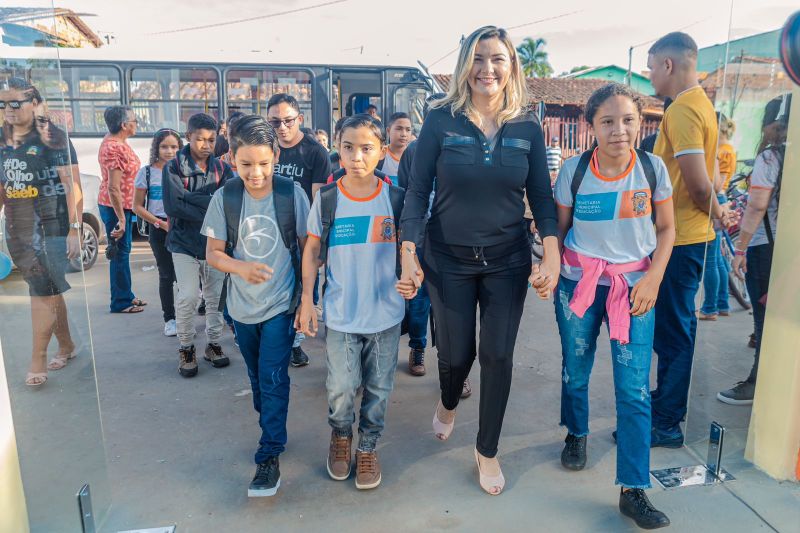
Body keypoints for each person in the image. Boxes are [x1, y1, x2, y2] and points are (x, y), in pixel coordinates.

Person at [400, 26, 560, 496]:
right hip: (446, 259)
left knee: (498, 355)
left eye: (497, 59)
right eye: (478, 58)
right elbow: (417, 191)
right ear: (465, 64)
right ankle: (448, 400)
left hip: (507, 260)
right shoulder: (440, 120)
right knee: (456, 357)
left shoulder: (527, 125)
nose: (487, 69)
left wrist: (552, 253)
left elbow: (542, 197)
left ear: (511, 67)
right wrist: (408, 253)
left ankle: (487, 450)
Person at [547, 83, 674, 529]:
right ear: (592, 126)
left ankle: (633, 488)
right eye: (607, 121)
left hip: (635, 290)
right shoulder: (574, 171)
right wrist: (550, 271)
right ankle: (576, 432)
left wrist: (653, 279)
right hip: (579, 286)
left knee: (634, 388)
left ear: (639, 123)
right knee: (575, 368)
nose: (618, 130)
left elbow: (667, 229)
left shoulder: (653, 169)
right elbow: (559, 231)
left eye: (627, 120)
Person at [296, 115, 410, 490]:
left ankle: (368, 445)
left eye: (366, 148)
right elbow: (312, 250)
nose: (356, 156)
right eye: (348, 148)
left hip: (386, 315)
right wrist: (307, 300)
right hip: (341, 314)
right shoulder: (328, 199)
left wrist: (415, 275)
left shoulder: (395, 198)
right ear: (338, 150)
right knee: (341, 387)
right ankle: (342, 434)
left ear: (381, 152)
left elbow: (412, 250)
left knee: (379, 390)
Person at [203, 115, 310, 497]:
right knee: (258, 380)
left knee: (273, 376)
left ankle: (269, 456)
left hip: (281, 306)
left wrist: (308, 300)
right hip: (240, 309)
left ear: (276, 157)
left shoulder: (292, 194)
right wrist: (241, 268)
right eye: (246, 164)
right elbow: (213, 253)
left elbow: (309, 249)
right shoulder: (225, 197)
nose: (256, 173)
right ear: (232, 158)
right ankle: (271, 425)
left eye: (264, 163)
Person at [646, 32, 734, 447]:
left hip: (678, 239)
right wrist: (719, 210)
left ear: (668, 65)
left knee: (674, 332)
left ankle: (666, 422)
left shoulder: (681, 109)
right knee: (675, 328)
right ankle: (664, 403)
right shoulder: (703, 106)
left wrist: (716, 212)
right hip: (687, 236)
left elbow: (699, 185)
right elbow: (712, 177)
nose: (650, 76)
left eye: (652, 67)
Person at [0, 78, 82, 387]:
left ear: (34, 103)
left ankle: (38, 357)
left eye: (15, 102)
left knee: (41, 289)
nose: (8, 109)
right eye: (2, 104)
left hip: (51, 227)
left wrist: (74, 228)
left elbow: (71, 186)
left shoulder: (53, 138)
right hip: (17, 229)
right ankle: (67, 344)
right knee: (49, 287)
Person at [719, 94, 791, 405]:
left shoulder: (771, 157)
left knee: (766, 319)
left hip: (767, 250)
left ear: (771, 124)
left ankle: (758, 382)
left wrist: (740, 250)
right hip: (791, 249)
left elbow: (758, 205)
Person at [162, 113, 233, 377]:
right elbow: (173, 206)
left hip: (215, 243)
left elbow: (225, 204)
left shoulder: (222, 169)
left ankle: (213, 344)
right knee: (189, 296)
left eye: (211, 139)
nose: (206, 145)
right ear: (188, 136)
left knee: (215, 298)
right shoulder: (173, 167)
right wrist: (210, 202)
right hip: (183, 243)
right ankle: (186, 347)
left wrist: (190, 197)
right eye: (200, 139)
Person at [267, 93, 331, 367]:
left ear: (300, 119)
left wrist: (317, 243)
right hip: (270, 233)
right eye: (275, 122)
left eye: (288, 120)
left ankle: (295, 343)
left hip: (302, 234)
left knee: (304, 289)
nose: (282, 127)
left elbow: (318, 201)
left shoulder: (315, 152)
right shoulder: (266, 147)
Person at [133, 129, 183, 337]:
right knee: (166, 274)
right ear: (156, 148)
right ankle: (170, 319)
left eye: (174, 147)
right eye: (164, 146)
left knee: (185, 275)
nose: (169, 151)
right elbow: (137, 206)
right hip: (158, 229)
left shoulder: (184, 171)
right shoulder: (146, 173)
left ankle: (185, 317)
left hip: (182, 227)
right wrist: (159, 223)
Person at [98, 105, 146, 314]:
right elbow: (113, 187)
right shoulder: (114, 148)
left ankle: (126, 294)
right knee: (119, 254)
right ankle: (121, 302)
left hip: (120, 206)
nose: (137, 124)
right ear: (124, 125)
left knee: (123, 252)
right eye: (135, 121)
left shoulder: (118, 142)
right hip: (114, 207)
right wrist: (122, 219)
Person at [699, 114, 737, 321]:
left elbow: (716, 184)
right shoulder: (727, 149)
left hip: (716, 199)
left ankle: (709, 307)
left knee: (712, 261)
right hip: (721, 198)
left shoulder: (721, 151)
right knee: (719, 259)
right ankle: (722, 304)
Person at [380, 112, 412, 185]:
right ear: (388, 131)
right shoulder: (380, 155)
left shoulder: (415, 157)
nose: (404, 134)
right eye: (399, 129)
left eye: (408, 130)